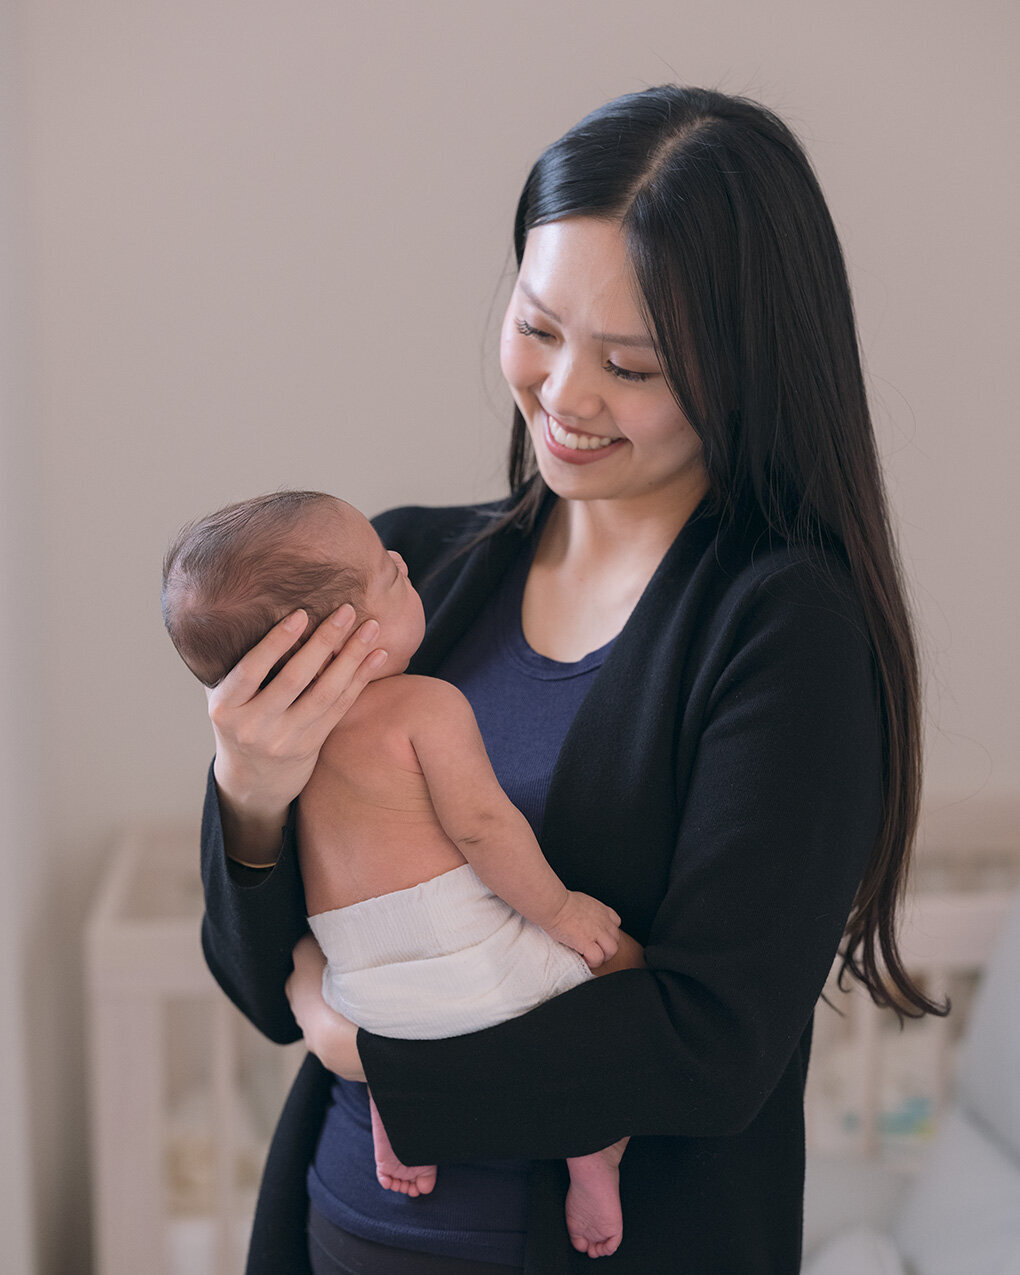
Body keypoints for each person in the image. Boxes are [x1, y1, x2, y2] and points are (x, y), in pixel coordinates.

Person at [196, 85, 945, 1274]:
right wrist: (249, 791)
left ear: (749, 370)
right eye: (539, 328)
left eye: (633, 367)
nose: (566, 396)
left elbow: (710, 1042)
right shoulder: (404, 577)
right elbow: (256, 973)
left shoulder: (786, 630)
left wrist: (369, 1051)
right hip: (338, 1226)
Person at [162, 490, 638, 1257]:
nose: (403, 560)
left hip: (363, 992)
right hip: (465, 960)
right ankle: (591, 1155)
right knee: (597, 980)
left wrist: (341, 1030)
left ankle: (400, 1123)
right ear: (348, 638)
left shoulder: (297, 747)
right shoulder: (427, 706)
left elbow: (290, 955)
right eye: (388, 574)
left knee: (343, 986)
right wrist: (559, 911)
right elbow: (485, 828)